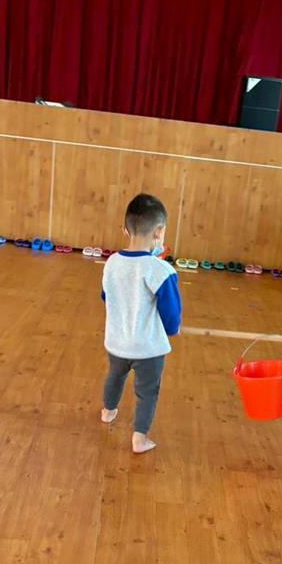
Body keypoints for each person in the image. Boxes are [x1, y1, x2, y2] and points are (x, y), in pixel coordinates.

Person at [100, 193, 182, 454]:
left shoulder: (112, 263)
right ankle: (140, 438)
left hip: (117, 342)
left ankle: (108, 411)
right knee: (147, 391)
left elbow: (106, 296)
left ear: (125, 229)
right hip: (148, 349)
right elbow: (172, 315)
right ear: (158, 232)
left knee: (115, 376)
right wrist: (172, 330)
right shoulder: (161, 270)